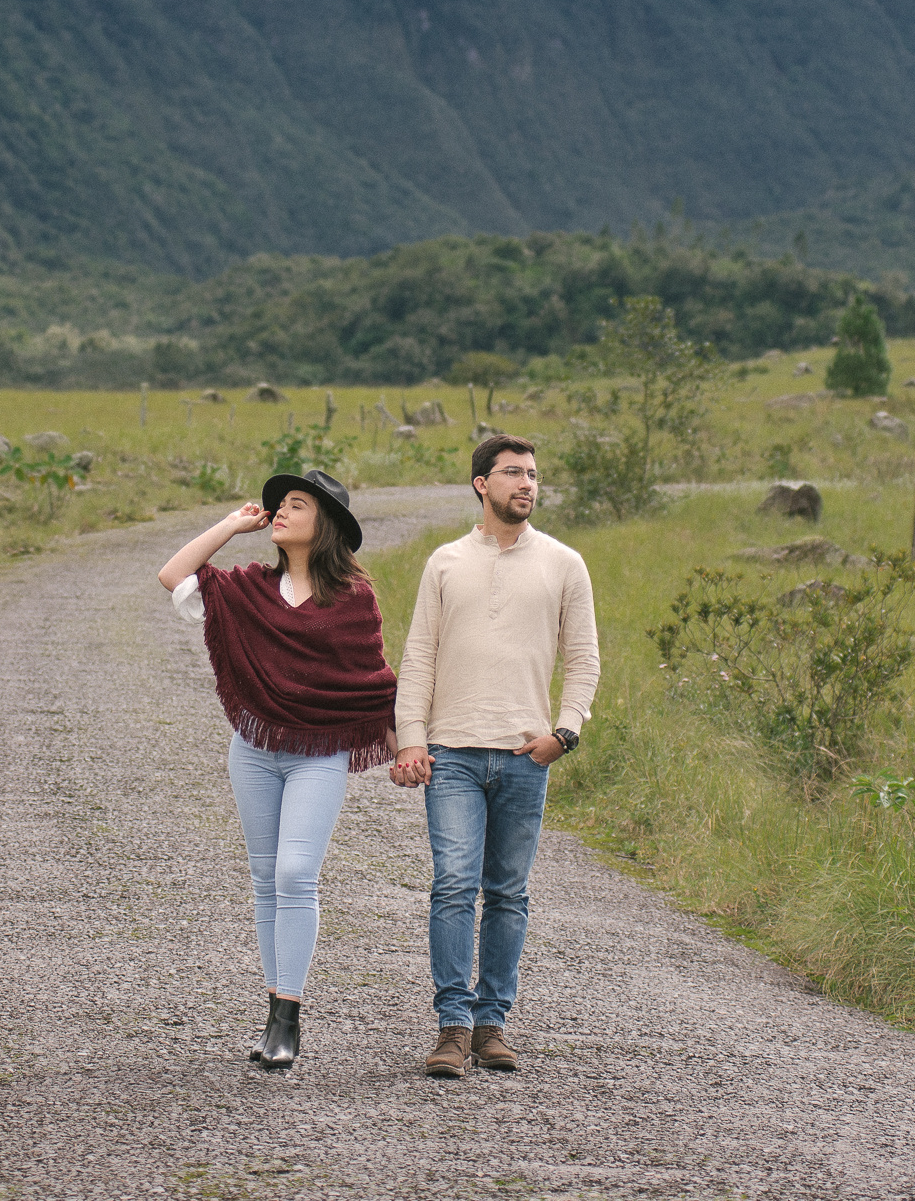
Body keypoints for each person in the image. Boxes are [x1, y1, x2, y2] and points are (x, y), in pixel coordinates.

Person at [156, 467, 396, 1070]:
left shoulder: (354, 600)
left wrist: (408, 740)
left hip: (320, 753)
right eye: (277, 505)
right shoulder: (248, 589)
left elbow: (370, 681)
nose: (279, 513)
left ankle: (290, 1013)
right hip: (254, 750)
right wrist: (233, 526)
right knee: (266, 880)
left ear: (326, 527)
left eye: (295, 505)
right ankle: (275, 1015)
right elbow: (172, 575)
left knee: (295, 874)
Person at [390, 433, 599, 1078]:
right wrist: (412, 736)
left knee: (507, 891)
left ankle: (492, 1024)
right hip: (451, 752)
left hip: (523, 755)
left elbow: (584, 661)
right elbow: (419, 655)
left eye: (533, 474)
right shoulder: (445, 562)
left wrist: (564, 733)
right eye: (513, 473)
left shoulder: (565, 564)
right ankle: (451, 1026)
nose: (527, 485)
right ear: (482, 483)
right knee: (453, 886)